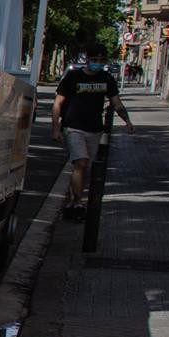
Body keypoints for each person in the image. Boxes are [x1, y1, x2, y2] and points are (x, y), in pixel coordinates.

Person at [52, 47, 131, 220]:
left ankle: (74, 200)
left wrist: (127, 120)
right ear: (87, 59)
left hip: (94, 128)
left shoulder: (106, 79)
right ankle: (79, 203)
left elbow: (116, 102)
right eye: (95, 59)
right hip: (73, 127)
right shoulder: (73, 77)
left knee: (83, 167)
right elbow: (58, 103)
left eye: (102, 60)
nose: (98, 63)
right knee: (81, 162)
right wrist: (56, 127)